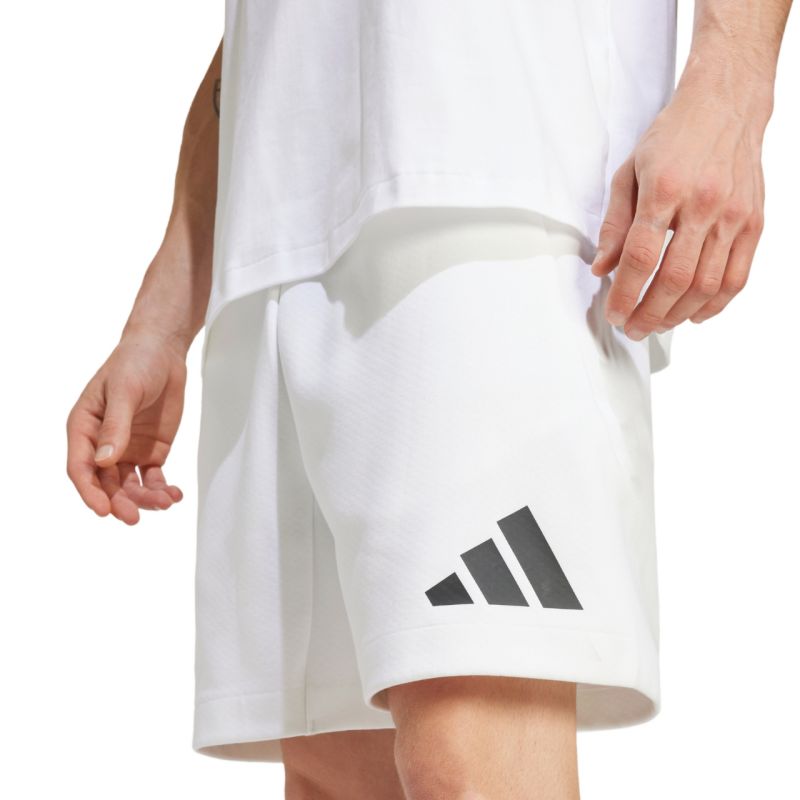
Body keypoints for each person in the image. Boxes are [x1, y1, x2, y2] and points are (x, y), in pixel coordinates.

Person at [66, 1, 791, 797]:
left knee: (469, 758)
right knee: (333, 773)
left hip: (491, 187)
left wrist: (729, 92)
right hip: (270, 248)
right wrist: (164, 317)